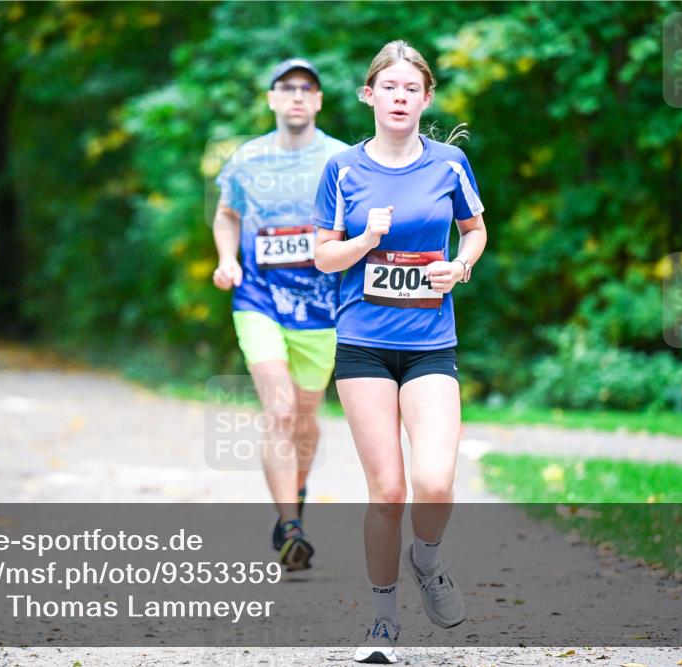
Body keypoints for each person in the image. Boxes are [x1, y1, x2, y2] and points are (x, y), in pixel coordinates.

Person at [311, 40, 488, 663]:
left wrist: (460, 269)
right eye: (389, 88)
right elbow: (323, 256)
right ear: (369, 96)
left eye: (412, 89)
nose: (400, 98)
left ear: (426, 99)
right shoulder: (342, 170)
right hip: (362, 344)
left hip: (430, 346)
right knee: (387, 491)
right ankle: (382, 621)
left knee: (435, 482)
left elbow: (475, 231)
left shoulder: (448, 165)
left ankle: (429, 562)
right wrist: (366, 237)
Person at [212, 58, 349, 571]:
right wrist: (228, 259)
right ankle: (291, 526)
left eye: (306, 89)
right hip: (260, 301)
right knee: (280, 412)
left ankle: (294, 498)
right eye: (286, 88)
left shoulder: (342, 160)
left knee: (306, 420)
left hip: (323, 309)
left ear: (317, 101)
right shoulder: (247, 160)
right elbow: (227, 216)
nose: (296, 96)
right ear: (272, 99)